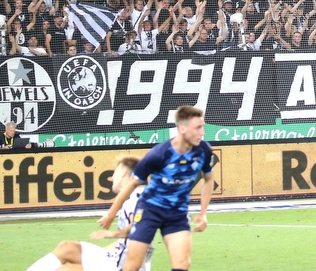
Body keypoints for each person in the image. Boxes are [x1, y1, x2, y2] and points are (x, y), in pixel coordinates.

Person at [98, 105, 215, 271]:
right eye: (198, 127)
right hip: (149, 211)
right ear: (182, 128)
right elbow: (131, 184)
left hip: (177, 214)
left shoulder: (203, 150)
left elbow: (208, 180)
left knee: (183, 264)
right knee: (133, 265)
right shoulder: (159, 154)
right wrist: (110, 214)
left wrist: (203, 213)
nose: (202, 132)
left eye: (202, 127)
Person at [26, 157, 153, 271]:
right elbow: (128, 241)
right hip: (113, 258)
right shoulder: (134, 196)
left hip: (119, 266)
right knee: (67, 247)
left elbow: (138, 229)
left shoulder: (135, 198)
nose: (112, 177)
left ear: (124, 174)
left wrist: (109, 234)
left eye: (115, 172)